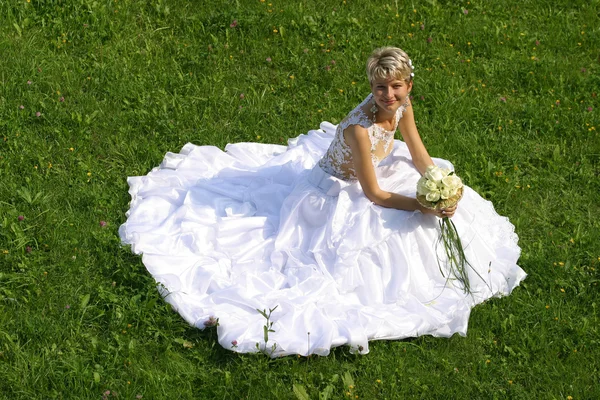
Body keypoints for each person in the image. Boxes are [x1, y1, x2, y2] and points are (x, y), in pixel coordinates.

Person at [119, 47, 526, 357]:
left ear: (408, 86)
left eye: (395, 86)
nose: (388, 95)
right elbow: (376, 196)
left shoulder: (403, 106)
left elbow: (418, 152)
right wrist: (423, 206)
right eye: (379, 87)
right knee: (392, 230)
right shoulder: (359, 131)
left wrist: (436, 182)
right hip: (336, 191)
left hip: (378, 170)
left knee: (438, 215)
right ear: (371, 87)